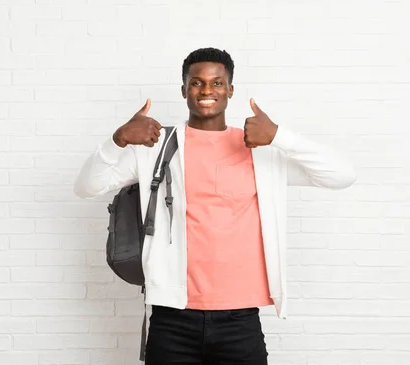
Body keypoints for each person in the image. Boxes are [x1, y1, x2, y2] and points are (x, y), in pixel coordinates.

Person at [73, 47, 356, 365]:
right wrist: (118, 139)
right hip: (172, 319)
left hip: (240, 320)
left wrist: (278, 136)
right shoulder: (157, 148)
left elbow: (342, 175)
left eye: (217, 83)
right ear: (184, 90)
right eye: (197, 82)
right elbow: (87, 187)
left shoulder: (259, 151)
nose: (207, 90)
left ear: (230, 90)